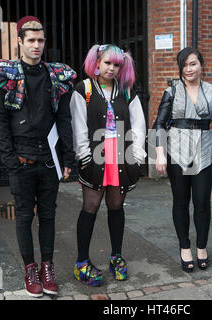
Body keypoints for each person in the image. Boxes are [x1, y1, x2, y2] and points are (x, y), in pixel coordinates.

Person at [0, 16, 76, 297]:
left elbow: (64, 119)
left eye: (41, 41)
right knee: (24, 216)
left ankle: (47, 267)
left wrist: (68, 159)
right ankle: (30, 269)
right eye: (31, 41)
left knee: (48, 216)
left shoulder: (56, 76)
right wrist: (10, 159)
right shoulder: (6, 77)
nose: (36, 46)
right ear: (20, 42)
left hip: (49, 161)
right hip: (21, 162)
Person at [69, 44, 146, 286]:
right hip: (95, 155)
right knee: (90, 205)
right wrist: (84, 156)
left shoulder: (126, 91)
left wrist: (138, 152)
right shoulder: (84, 89)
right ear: (97, 62)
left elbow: (139, 123)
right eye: (107, 63)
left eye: (116, 65)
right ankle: (81, 262)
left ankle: (116, 257)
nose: (111, 68)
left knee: (116, 206)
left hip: (121, 155)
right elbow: (78, 124)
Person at [153, 47, 212, 273]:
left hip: (203, 150)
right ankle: (184, 248)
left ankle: (201, 247)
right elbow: (159, 124)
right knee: (181, 201)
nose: (188, 69)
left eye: (193, 64)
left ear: (201, 65)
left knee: (202, 202)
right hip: (176, 150)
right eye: (184, 64)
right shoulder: (172, 91)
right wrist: (160, 154)